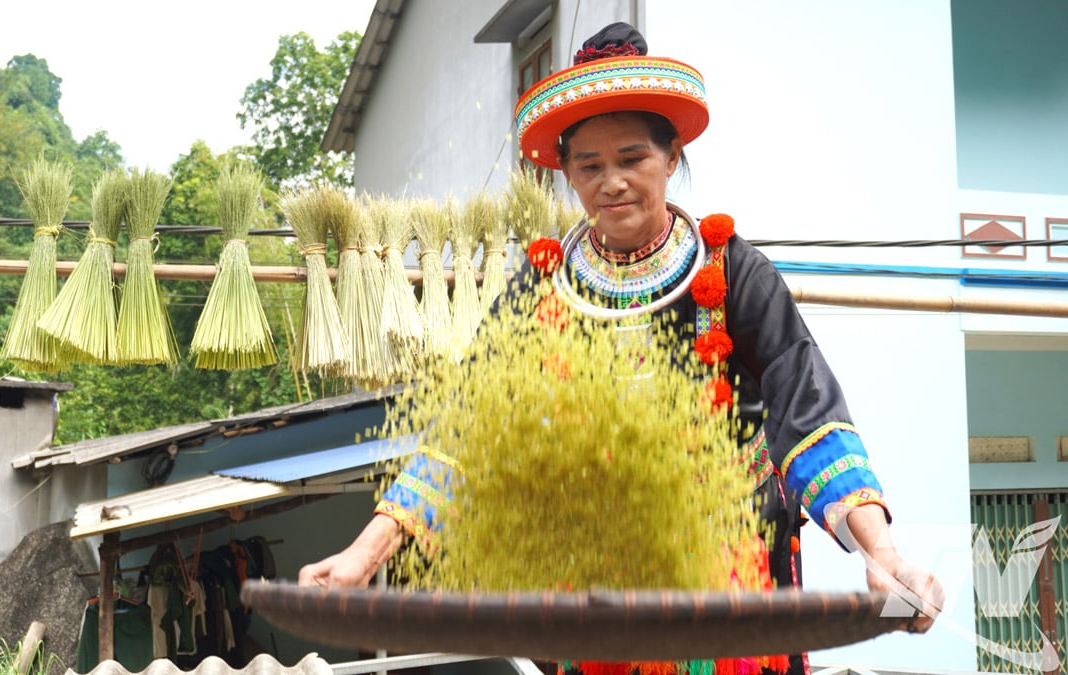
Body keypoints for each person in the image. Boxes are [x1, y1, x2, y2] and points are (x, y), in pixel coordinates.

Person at [300, 21, 944, 672]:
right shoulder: (542, 287)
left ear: (671, 157)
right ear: (567, 175)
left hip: (730, 578)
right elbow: (469, 431)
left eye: (632, 159)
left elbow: (809, 414)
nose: (611, 182)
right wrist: (363, 555)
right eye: (590, 166)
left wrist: (882, 554)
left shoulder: (732, 271)